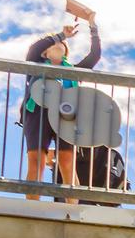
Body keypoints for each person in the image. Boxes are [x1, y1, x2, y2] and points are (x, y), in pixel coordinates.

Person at [21, 18, 101, 195]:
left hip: (67, 116)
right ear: (44, 53)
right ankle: (32, 209)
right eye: (54, 43)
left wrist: (93, 26)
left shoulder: (73, 71)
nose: (59, 44)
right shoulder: (35, 64)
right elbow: (35, 47)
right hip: (37, 115)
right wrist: (61, 35)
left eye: (62, 43)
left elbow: (95, 56)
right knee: (37, 161)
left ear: (66, 51)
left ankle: (72, 209)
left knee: (66, 161)